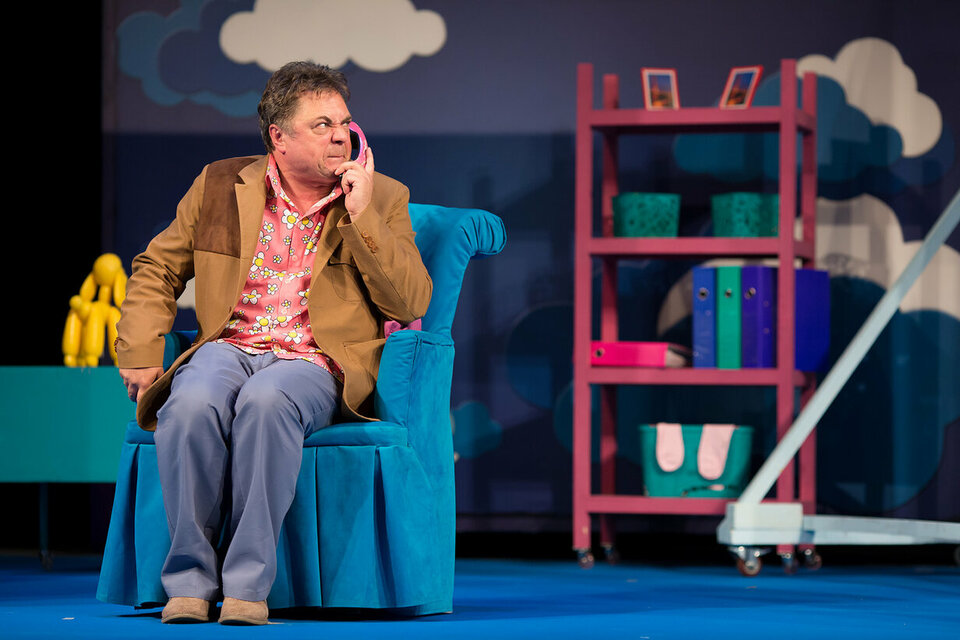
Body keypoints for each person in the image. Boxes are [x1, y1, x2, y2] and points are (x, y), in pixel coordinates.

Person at [116, 61, 432, 625]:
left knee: (268, 402)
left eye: (345, 122)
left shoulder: (382, 196)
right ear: (278, 138)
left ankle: (246, 585)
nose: (340, 135)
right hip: (229, 345)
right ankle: (188, 581)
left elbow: (409, 303)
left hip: (315, 359)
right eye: (322, 124)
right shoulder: (219, 184)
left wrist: (362, 216)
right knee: (188, 402)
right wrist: (140, 352)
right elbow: (157, 268)